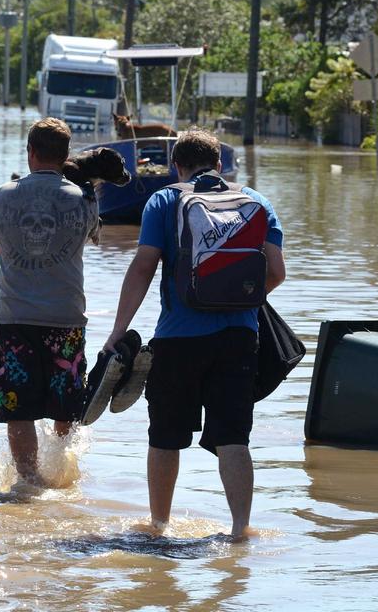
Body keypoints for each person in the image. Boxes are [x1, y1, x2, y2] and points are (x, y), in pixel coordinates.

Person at [104, 129, 285, 539]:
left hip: (177, 338)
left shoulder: (165, 200)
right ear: (219, 164)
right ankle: (240, 530)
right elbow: (276, 273)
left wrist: (119, 330)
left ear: (176, 166)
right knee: (234, 438)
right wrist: (237, 303)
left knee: (166, 436)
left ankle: (159, 526)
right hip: (239, 338)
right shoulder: (256, 202)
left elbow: (143, 267)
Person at [0, 117, 98, 486]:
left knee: (19, 409)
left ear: (30, 153)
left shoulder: (4, 194)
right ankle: (61, 476)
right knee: (66, 406)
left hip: (15, 320)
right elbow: (90, 238)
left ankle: (29, 482)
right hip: (67, 319)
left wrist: (12, 246)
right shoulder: (84, 199)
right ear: (65, 156)